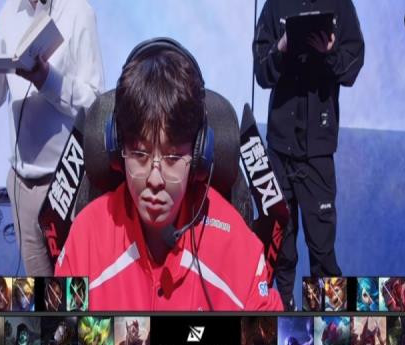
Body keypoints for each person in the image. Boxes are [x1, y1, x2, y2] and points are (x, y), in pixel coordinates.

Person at [55, 39, 284, 312]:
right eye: (139, 154)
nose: (155, 179)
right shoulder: (84, 239)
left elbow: (270, 334)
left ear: (199, 155)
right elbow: (62, 331)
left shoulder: (238, 248)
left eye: (173, 158)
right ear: (117, 149)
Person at [0, 0, 105, 276]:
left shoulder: (79, 12)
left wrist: (47, 80)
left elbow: (95, 105)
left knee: (75, 289)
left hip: (66, 184)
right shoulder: (9, 13)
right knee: (41, 292)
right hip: (20, 185)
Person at [253, 0, 364, 310]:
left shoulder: (340, 5)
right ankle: (283, 315)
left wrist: (328, 54)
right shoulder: (275, 6)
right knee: (281, 249)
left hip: (318, 151)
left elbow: (353, 66)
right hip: (279, 148)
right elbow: (261, 72)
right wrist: (282, 47)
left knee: (323, 252)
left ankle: (328, 328)